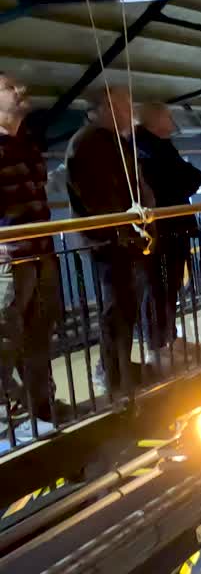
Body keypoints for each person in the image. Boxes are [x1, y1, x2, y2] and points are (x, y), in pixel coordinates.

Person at [66, 86, 156, 397]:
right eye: (123, 106)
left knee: (126, 308)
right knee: (117, 309)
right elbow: (97, 195)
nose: (130, 113)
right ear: (105, 108)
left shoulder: (116, 142)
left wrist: (143, 210)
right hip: (109, 242)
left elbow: (136, 183)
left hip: (125, 238)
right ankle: (111, 370)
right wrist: (126, 219)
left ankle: (119, 365)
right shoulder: (88, 142)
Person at [0, 73, 69, 434]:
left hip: (40, 255)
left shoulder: (26, 143)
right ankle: (9, 421)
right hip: (7, 261)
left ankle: (42, 406)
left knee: (39, 338)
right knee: (3, 341)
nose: (21, 91)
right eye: (9, 88)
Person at [135, 103, 201, 367]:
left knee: (169, 286)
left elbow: (192, 177)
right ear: (154, 120)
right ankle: (157, 345)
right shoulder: (144, 146)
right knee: (157, 289)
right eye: (167, 116)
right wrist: (181, 178)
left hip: (174, 227)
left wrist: (181, 178)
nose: (173, 120)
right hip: (160, 229)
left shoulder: (162, 145)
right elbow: (178, 179)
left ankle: (169, 337)